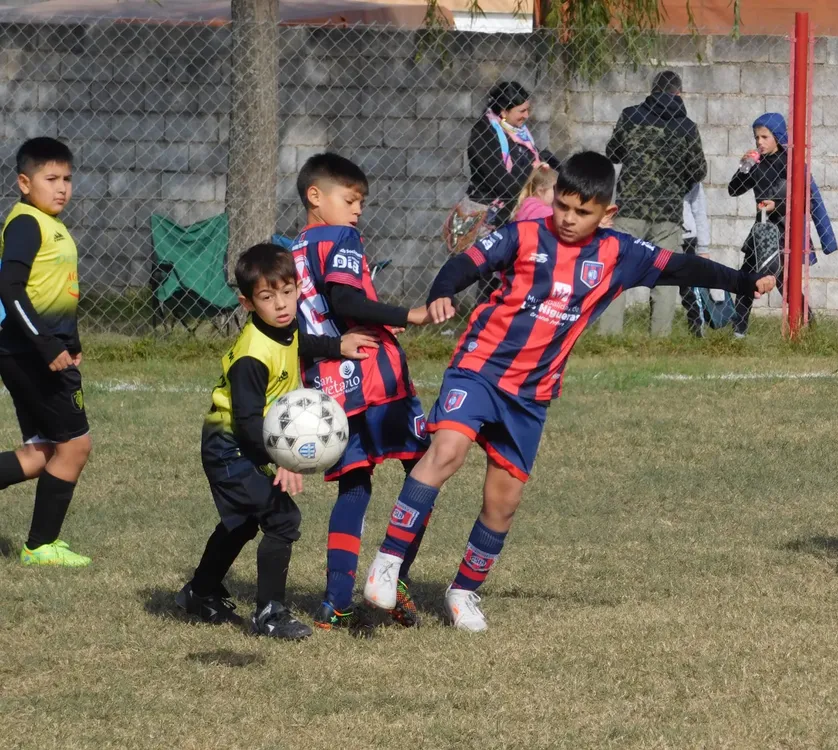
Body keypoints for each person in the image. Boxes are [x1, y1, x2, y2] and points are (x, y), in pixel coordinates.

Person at [361, 151, 775, 631]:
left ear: (607, 214)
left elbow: (684, 267)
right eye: (562, 207)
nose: (569, 219)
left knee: (503, 501)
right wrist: (441, 292)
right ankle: (387, 563)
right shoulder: (524, 235)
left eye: (582, 212)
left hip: (532, 394)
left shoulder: (620, 254)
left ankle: (464, 591)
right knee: (447, 452)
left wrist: (744, 282)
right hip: (479, 369)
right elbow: (466, 263)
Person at [176, 243, 378, 639]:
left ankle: (199, 593)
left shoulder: (283, 327)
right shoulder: (252, 355)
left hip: (243, 443)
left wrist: (338, 346)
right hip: (229, 444)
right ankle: (269, 613)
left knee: (244, 522)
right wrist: (281, 459)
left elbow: (299, 340)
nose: (282, 304)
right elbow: (248, 421)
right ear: (247, 303)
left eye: (287, 292)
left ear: (298, 287)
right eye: (268, 297)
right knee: (282, 518)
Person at [292, 152, 434, 633]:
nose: (357, 211)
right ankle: (395, 578)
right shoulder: (341, 238)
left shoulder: (291, 252)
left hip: (330, 388)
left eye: (360, 203)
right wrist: (407, 314)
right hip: (376, 376)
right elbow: (347, 299)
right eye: (349, 199)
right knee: (427, 473)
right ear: (316, 197)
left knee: (355, 488)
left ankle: (336, 603)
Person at [0, 137, 92, 567]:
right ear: (24, 182)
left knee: (42, 452)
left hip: (37, 349)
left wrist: (70, 344)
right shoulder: (26, 223)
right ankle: (40, 546)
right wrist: (45, 344)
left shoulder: (50, 223)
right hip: (27, 352)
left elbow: (54, 292)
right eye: (50, 178)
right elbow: (11, 288)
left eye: (67, 179)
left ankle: (41, 544)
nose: (62, 188)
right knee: (74, 445)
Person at [604, 70, 708, 336]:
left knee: (617, 271)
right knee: (665, 277)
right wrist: (675, 183)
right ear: (678, 93)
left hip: (630, 208)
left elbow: (613, 153)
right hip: (668, 213)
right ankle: (659, 339)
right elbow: (698, 171)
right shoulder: (686, 126)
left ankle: (610, 337)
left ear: (653, 90)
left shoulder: (630, 115)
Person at [445, 81, 557, 302]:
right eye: (522, 110)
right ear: (504, 111)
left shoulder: (518, 132)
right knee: (483, 265)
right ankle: (457, 306)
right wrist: (533, 172)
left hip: (510, 208)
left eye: (528, 109)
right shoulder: (485, 132)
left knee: (499, 268)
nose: (527, 115)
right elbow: (499, 179)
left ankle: (490, 309)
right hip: (486, 212)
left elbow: (533, 158)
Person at [728, 112, 837, 338]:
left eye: (765, 137)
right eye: (756, 137)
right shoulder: (756, 163)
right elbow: (733, 190)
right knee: (747, 277)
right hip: (761, 232)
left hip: (786, 231)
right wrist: (743, 167)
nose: (759, 142)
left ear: (777, 136)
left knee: (786, 284)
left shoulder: (792, 163)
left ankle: (808, 329)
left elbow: (808, 197)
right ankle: (738, 332)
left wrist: (776, 205)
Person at [679, 182, 711, 337]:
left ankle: (697, 332)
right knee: (659, 286)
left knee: (689, 289)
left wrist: (703, 248)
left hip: (686, 237)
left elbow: (699, 211)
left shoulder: (692, 174)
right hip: (658, 234)